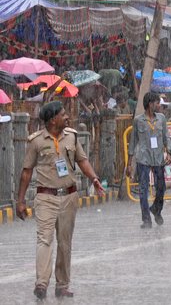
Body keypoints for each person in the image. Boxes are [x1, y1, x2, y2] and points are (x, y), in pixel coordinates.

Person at [16, 101, 105, 299]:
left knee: (65, 243)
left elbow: (82, 160)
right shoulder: (36, 141)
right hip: (45, 197)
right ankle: (41, 283)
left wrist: (94, 179)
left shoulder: (72, 137)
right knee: (44, 239)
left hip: (69, 197)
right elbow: (26, 171)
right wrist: (20, 200)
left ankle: (62, 285)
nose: (67, 117)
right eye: (63, 114)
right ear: (52, 119)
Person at [126, 92, 171, 228]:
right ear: (150, 104)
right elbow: (133, 141)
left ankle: (156, 209)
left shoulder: (162, 119)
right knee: (143, 189)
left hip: (158, 158)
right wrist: (129, 164)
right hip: (143, 158)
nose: (159, 105)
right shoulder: (138, 121)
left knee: (161, 187)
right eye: (157, 103)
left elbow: (166, 137)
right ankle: (146, 219)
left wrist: (168, 153)